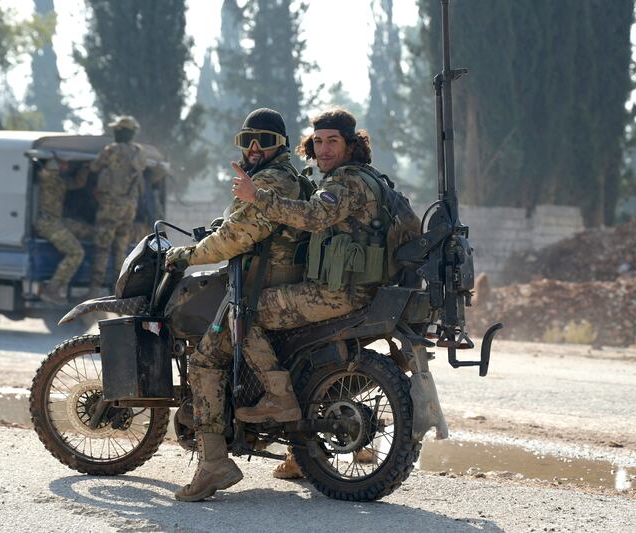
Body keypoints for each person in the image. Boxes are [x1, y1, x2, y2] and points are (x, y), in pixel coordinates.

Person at [231, 107, 421, 479]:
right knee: (300, 351)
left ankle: (277, 398)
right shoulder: (373, 178)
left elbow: (314, 217)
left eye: (332, 141)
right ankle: (300, 454)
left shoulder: (345, 182)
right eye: (317, 141)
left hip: (339, 295)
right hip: (368, 293)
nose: (324, 149)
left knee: (247, 312)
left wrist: (258, 198)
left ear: (351, 145)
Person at [165, 108, 308, 502]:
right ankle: (300, 454)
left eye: (264, 140)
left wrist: (187, 256)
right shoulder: (275, 179)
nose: (255, 148)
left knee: (207, 359)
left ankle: (214, 463)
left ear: (281, 145)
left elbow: (237, 238)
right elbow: (238, 225)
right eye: (248, 141)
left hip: (261, 289)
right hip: (275, 284)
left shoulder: (272, 181)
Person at [85, 116, 146, 298]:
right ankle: (118, 292)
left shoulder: (111, 150)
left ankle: (94, 290)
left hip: (111, 206)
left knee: (102, 247)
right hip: (129, 208)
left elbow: (94, 167)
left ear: (119, 132)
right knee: (121, 248)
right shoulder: (138, 152)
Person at [34, 158, 93, 304]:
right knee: (76, 253)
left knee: (89, 231)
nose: (66, 166)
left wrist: (85, 168)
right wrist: (55, 163)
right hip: (47, 222)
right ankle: (52, 289)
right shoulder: (47, 178)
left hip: (55, 220)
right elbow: (45, 172)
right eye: (63, 164)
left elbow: (78, 183)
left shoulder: (59, 180)